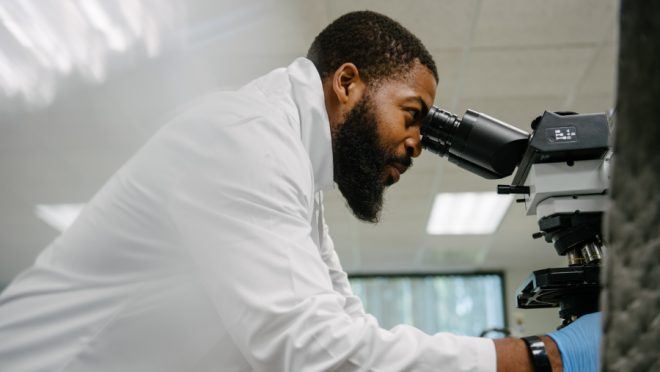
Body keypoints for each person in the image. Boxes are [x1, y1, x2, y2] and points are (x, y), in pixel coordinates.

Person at [0, 11, 600, 372]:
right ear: (346, 83)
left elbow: (341, 324)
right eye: (412, 114)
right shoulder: (246, 141)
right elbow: (321, 355)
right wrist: (545, 356)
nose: (419, 142)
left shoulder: (291, 165)